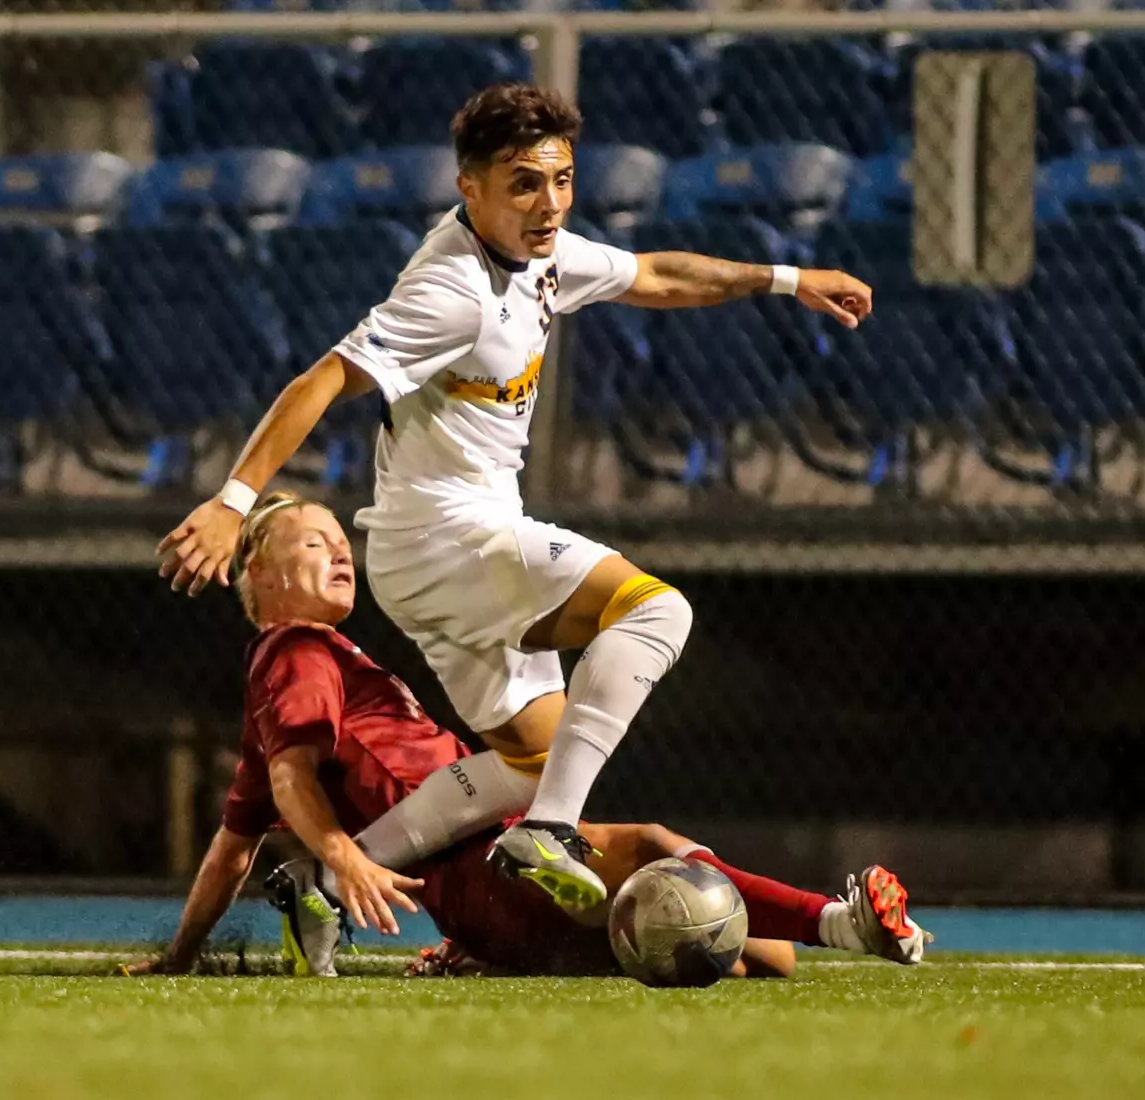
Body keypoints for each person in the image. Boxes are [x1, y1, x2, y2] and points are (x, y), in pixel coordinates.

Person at [158, 82, 874, 913]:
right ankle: (550, 832)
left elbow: (655, 275)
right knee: (655, 612)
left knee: (533, 757)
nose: (550, 203)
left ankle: (324, 883)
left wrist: (787, 278)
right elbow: (321, 378)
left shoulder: (543, 253)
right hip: (446, 541)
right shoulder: (450, 291)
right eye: (524, 183)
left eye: (563, 179)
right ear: (470, 188)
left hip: (447, 544)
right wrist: (233, 501)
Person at [127, 495, 930, 978]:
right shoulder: (297, 653)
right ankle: (845, 923)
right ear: (257, 575)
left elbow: (235, 841)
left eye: (342, 539)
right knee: (655, 852)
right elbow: (290, 782)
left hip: (485, 860)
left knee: (750, 949)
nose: (340, 549)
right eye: (313, 541)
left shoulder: (309, 665)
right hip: (474, 868)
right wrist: (343, 858)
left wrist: (180, 954)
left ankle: (352, 907)